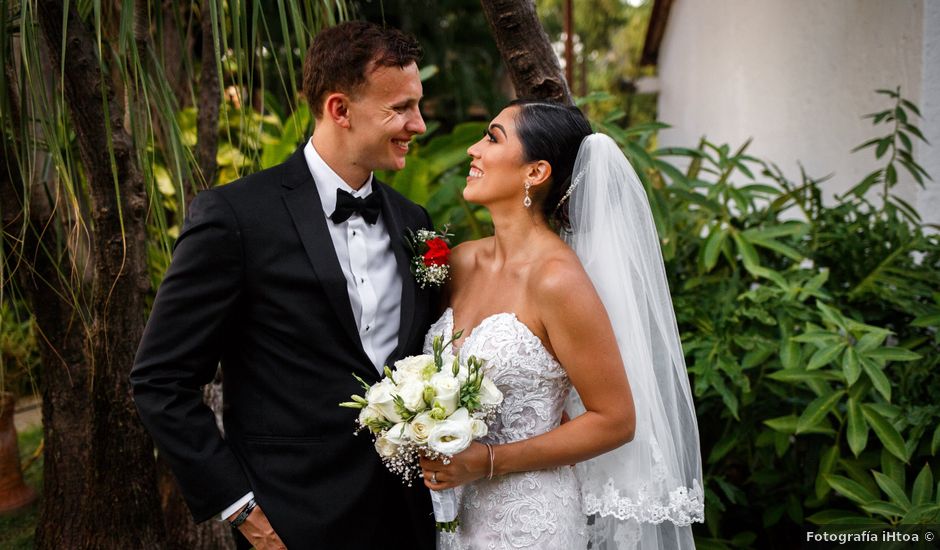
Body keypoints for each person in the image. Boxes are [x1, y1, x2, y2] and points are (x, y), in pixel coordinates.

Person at [131, 21, 435, 549]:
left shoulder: (415, 222)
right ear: (339, 109)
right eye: (401, 108)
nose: (420, 124)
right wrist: (244, 512)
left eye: (418, 105)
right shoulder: (235, 217)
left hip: (405, 519)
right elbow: (160, 380)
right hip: (291, 523)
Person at [419, 100, 705, 549]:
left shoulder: (558, 280)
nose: (474, 150)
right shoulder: (460, 262)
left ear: (536, 172)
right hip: (452, 516)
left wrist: (490, 461)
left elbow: (615, 420)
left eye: (492, 138)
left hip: (530, 522)